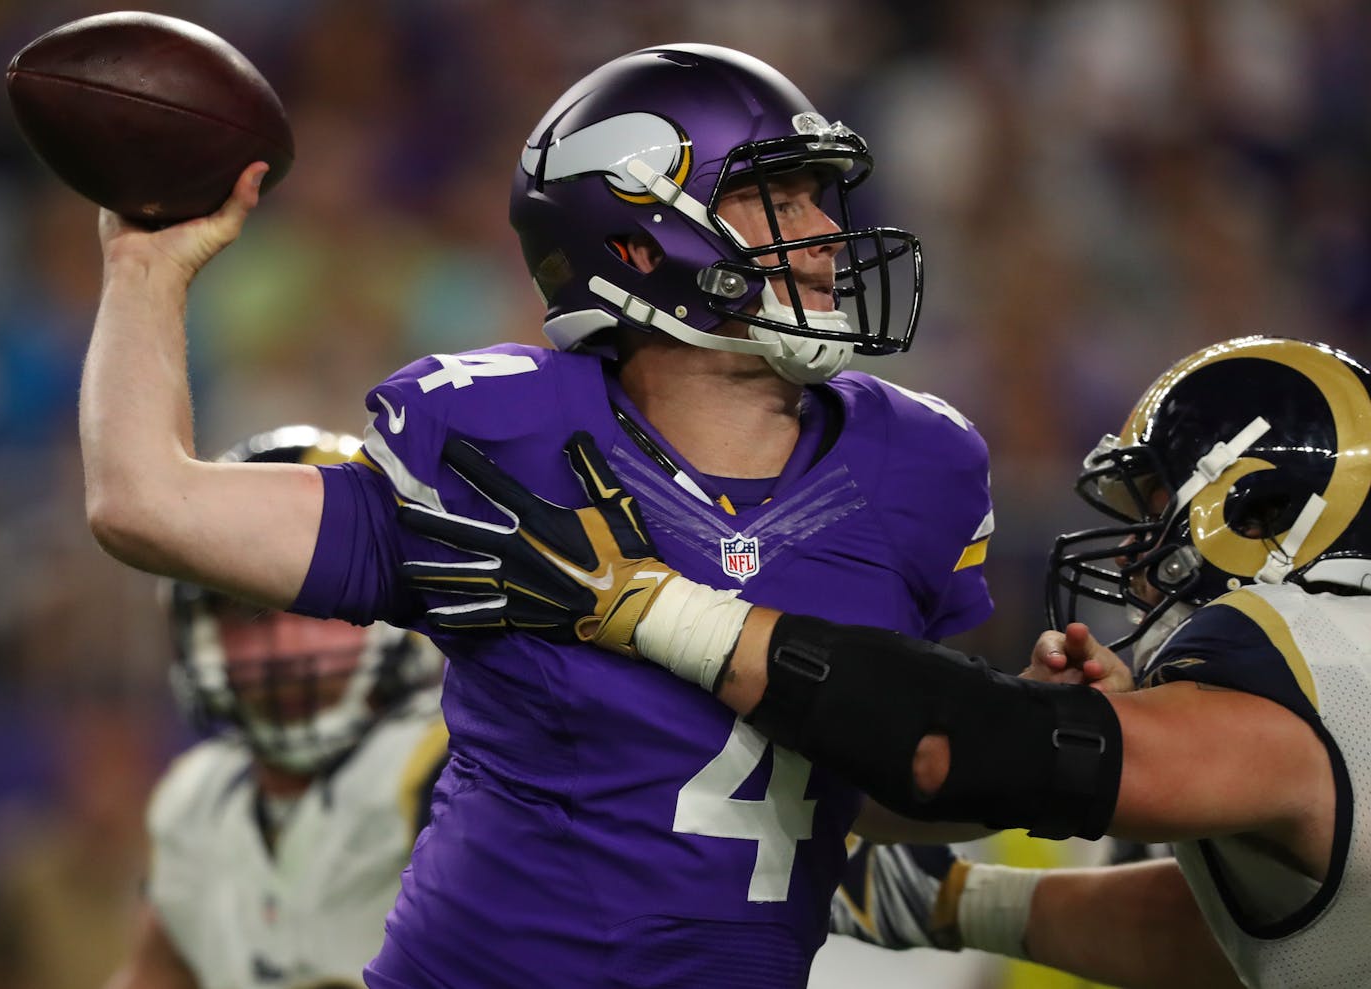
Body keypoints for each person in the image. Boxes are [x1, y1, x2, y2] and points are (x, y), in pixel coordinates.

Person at [81, 43, 995, 988]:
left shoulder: (916, 467)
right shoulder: (500, 445)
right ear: (644, 243)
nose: (823, 236)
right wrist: (147, 267)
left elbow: (905, 785)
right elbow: (148, 503)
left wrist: (1008, 738)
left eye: (818, 196)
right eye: (780, 198)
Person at [397, 333, 1371, 988]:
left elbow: (975, 747)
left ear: (1252, 509)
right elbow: (1241, 939)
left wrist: (662, 610)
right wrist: (948, 895)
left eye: (1155, 503)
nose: (1128, 553)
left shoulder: (1298, 653)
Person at [103, 427, 448, 989]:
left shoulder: (454, 767)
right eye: (246, 610)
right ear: (196, 629)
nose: (288, 646)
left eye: (321, 603)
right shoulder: (197, 803)